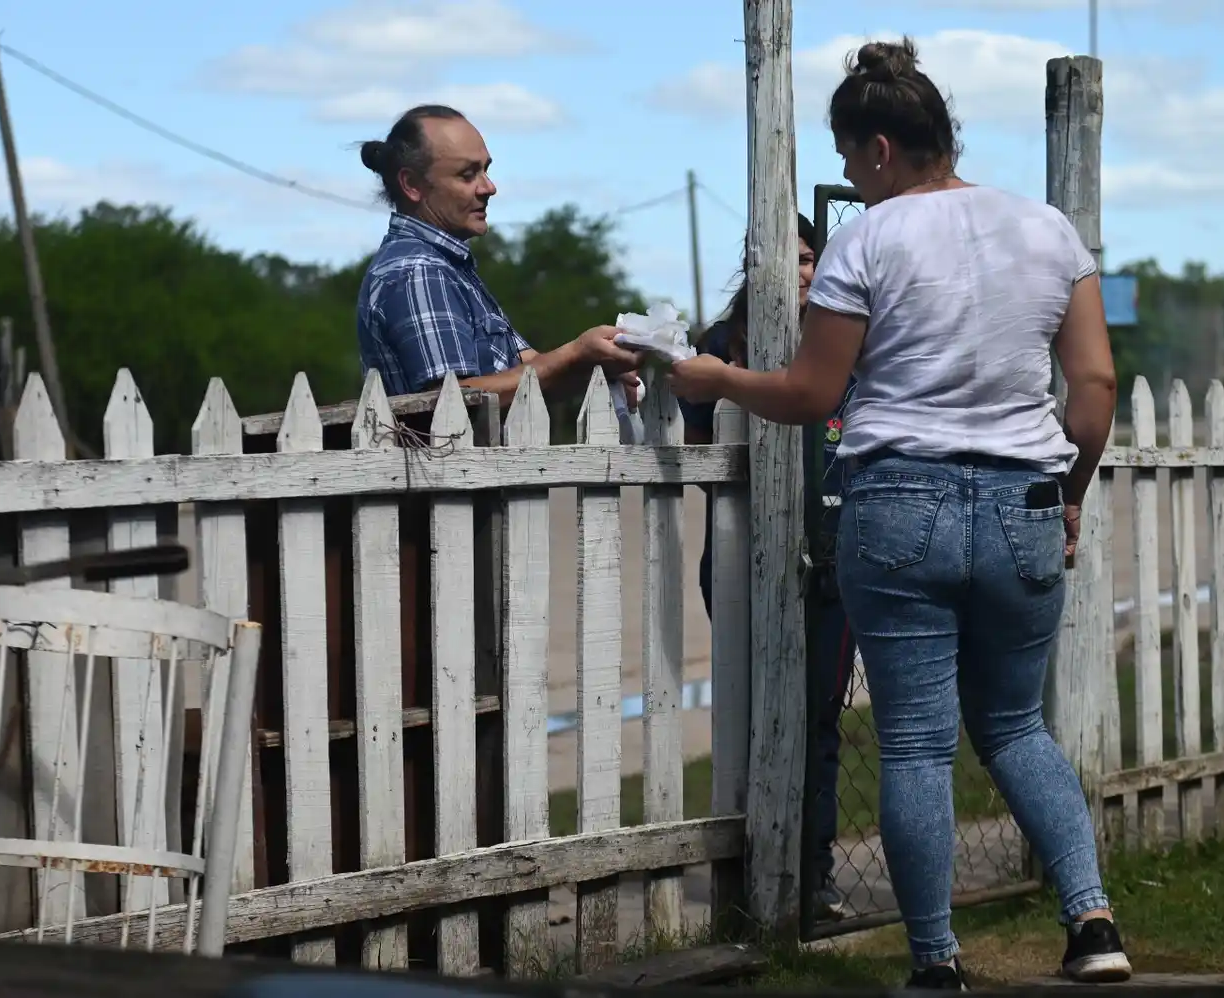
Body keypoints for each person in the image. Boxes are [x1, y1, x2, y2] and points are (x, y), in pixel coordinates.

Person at [667, 38, 1128, 990]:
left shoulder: (865, 241)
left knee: (917, 738)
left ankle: (935, 963)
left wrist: (718, 379)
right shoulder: (1047, 231)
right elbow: (1094, 388)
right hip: (1023, 504)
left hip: (899, 500)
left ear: (879, 148)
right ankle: (1091, 923)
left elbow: (808, 392)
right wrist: (1069, 497)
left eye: (845, 158)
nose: (847, 176)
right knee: (1014, 728)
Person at [678, 215, 856, 924]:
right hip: (738, 557)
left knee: (816, 719)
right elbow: (696, 458)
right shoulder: (718, 349)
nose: (798, 273)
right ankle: (752, 873)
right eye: (783, 259)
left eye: (809, 258)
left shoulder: (846, 341)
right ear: (754, 268)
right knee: (750, 719)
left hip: (831, 559)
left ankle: (812, 874)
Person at [355, 104, 640, 408]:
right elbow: (452, 401)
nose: (489, 187)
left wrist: (597, 365)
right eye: (467, 175)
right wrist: (574, 353)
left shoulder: (449, 266)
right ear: (411, 185)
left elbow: (529, 369)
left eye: (485, 169)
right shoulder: (419, 271)